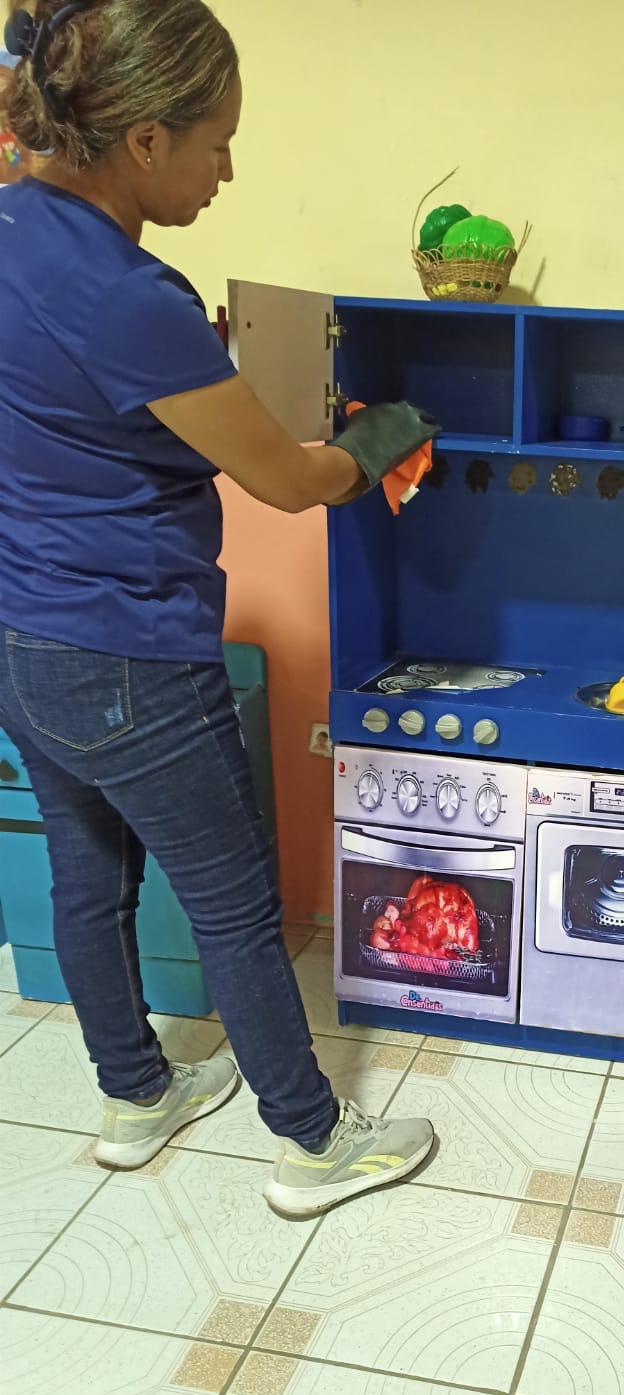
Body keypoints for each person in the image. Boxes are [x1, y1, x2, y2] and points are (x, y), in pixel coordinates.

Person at [0, 0, 440, 1219]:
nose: (228, 171)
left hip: (21, 635)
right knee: (235, 904)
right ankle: (313, 1142)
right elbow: (289, 483)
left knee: (88, 878)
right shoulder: (126, 291)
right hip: (131, 650)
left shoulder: (11, 224)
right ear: (144, 138)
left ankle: (136, 1096)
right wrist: (376, 443)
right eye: (217, 143)